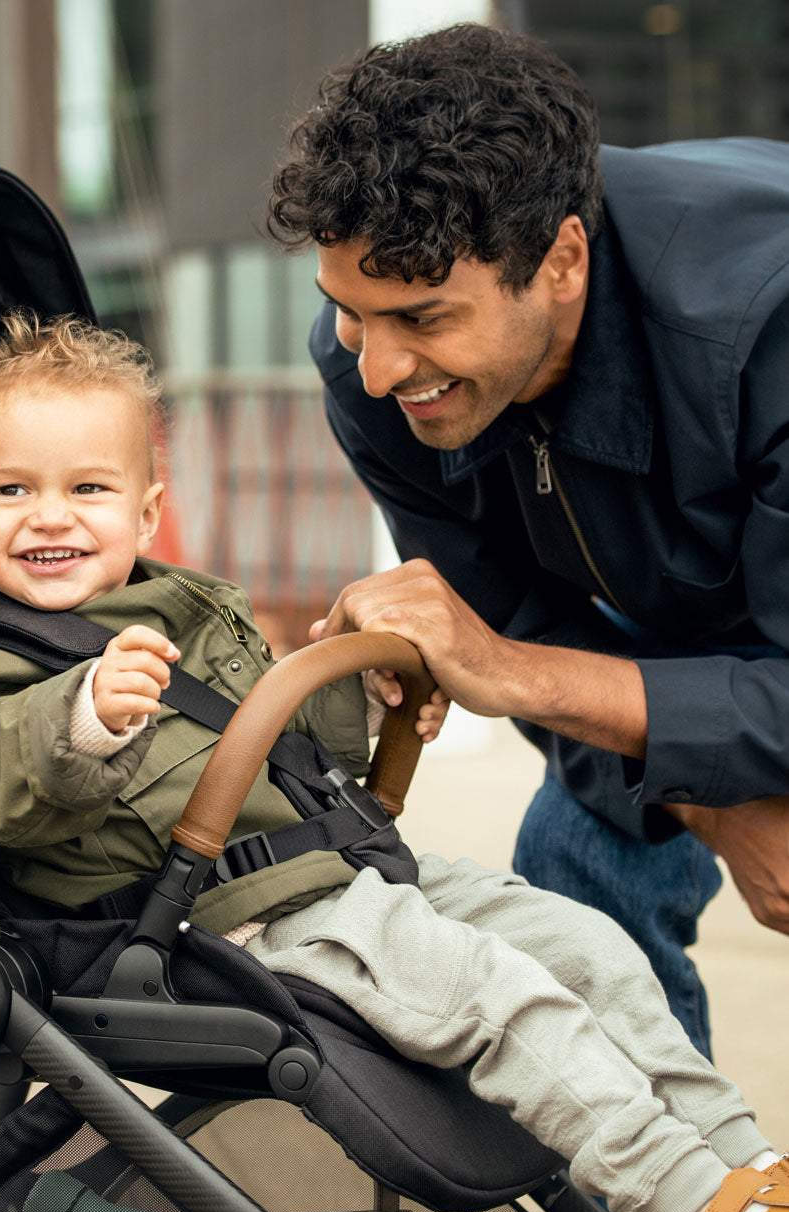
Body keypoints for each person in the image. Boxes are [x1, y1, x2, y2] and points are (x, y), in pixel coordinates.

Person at [0, 311, 788, 1212]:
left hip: (337, 872)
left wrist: (357, 689)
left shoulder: (178, 606)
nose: (50, 517)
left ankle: (739, 1174)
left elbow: (297, 757)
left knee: (585, 949)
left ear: (147, 505)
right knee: (496, 999)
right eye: (11, 492)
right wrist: (78, 721)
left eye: (87, 489)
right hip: (219, 920)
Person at [266, 22, 789, 1061]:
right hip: (690, 621)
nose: (374, 369)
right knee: (574, 854)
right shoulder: (368, 369)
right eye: (350, 314)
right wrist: (718, 807)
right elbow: (514, 623)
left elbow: (508, 658)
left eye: (421, 316)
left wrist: (505, 668)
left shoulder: (762, 325)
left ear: (560, 260)